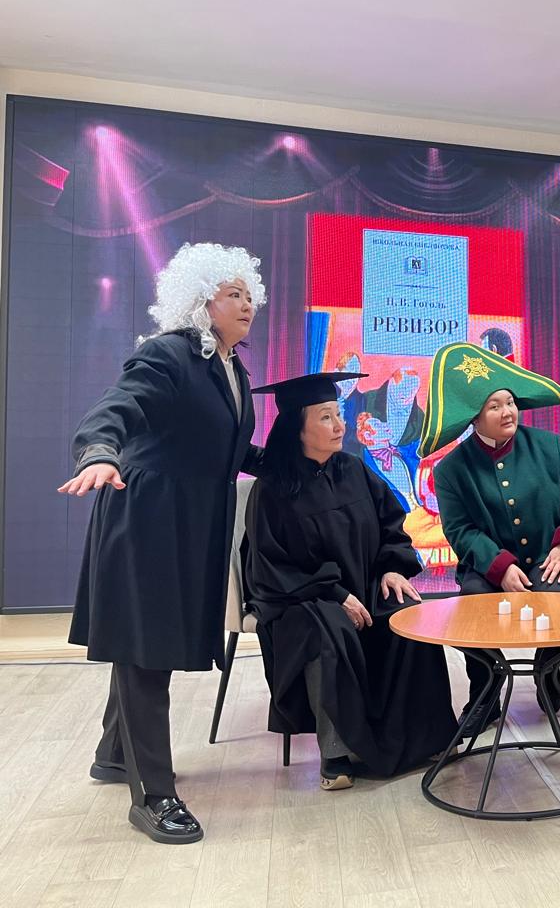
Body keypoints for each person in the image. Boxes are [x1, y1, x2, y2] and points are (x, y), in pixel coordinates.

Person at [60, 242, 266, 844]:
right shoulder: (169, 353)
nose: (247, 304)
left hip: (190, 521)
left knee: (147, 639)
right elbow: (118, 407)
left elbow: (223, 448)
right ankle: (154, 795)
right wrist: (99, 451)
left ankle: (114, 753)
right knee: (145, 646)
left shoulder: (231, 366)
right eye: (233, 294)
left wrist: (291, 460)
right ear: (201, 300)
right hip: (147, 517)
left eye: (249, 294)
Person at [244, 372, 457, 789]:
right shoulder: (273, 489)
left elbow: (392, 523)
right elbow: (270, 567)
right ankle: (337, 753)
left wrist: (393, 566)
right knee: (329, 632)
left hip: (366, 584)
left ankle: (425, 739)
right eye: (325, 417)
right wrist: (336, 594)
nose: (339, 425)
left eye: (338, 414)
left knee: (409, 616)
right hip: (301, 598)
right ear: (297, 428)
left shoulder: (354, 469)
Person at [422, 342, 560, 737]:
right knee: (472, 606)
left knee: (559, 594)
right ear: (474, 417)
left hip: (552, 555)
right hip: (489, 565)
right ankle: (485, 695)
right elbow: (460, 530)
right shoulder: (451, 470)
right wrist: (500, 567)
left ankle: (548, 672)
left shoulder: (549, 446)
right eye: (495, 406)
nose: (508, 412)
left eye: (510, 402)